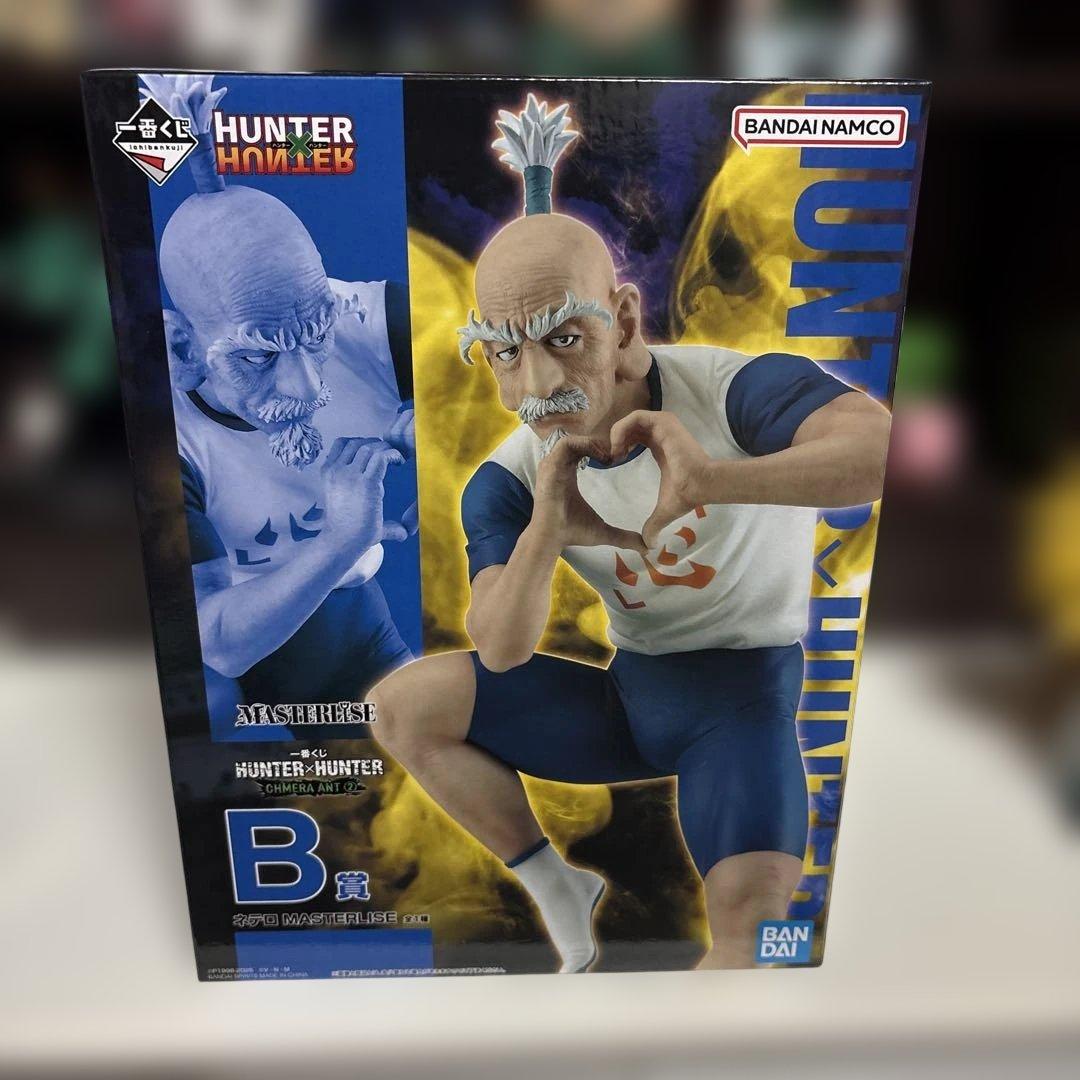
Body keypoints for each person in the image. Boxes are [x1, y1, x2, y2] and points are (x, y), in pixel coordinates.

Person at [371, 95, 891, 969]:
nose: (537, 384)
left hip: (740, 704)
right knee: (401, 706)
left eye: (563, 338)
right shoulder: (511, 474)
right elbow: (500, 648)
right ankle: (557, 886)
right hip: (629, 700)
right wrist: (547, 525)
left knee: (750, 927)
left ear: (622, 320)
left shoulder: (726, 390)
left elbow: (876, 453)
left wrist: (718, 480)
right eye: (505, 351)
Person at [147, 75, 416, 739]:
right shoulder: (169, 440)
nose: (304, 386)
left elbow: (520, 370)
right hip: (253, 682)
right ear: (182, 347)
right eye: (257, 356)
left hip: (364, 631)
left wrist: (455, 431)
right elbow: (220, 642)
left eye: (315, 336)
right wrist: (342, 537)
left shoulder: (364, 320)